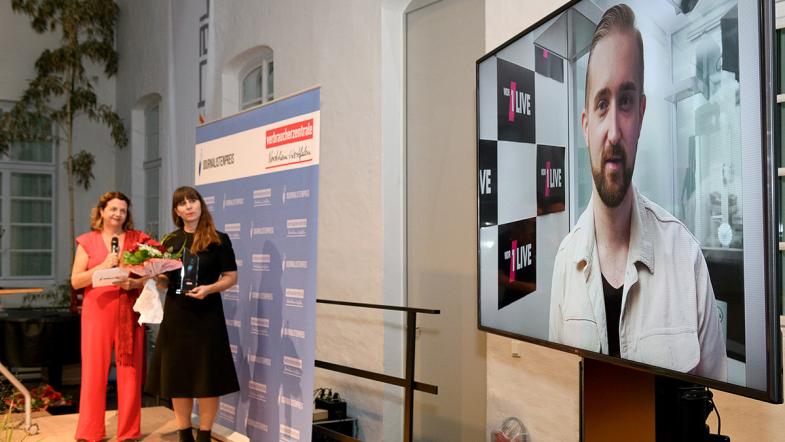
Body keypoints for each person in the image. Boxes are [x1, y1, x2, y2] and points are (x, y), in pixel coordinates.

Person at [548, 4, 727, 381]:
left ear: (642, 114)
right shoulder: (565, 263)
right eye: (601, 104)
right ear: (585, 125)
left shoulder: (687, 259)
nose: (613, 131)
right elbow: (561, 393)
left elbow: (717, 405)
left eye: (626, 102)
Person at [145, 186, 239, 442]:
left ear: (200, 205)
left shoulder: (219, 239)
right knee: (178, 376)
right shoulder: (169, 241)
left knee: (207, 377)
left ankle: (205, 434)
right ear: (176, 210)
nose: (188, 206)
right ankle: (184, 432)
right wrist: (155, 276)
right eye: (182, 203)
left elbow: (231, 277)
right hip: (177, 315)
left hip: (207, 315)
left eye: (192, 200)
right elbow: (165, 282)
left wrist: (209, 289)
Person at [71, 191, 150, 441]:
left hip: (129, 311)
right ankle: (90, 431)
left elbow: (154, 273)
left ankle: (128, 432)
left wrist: (137, 284)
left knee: (130, 371)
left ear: (127, 215)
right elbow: (75, 281)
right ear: (102, 211)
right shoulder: (87, 241)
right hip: (97, 313)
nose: (118, 214)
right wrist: (101, 267)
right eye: (113, 209)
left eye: (123, 210)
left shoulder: (138, 239)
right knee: (94, 371)